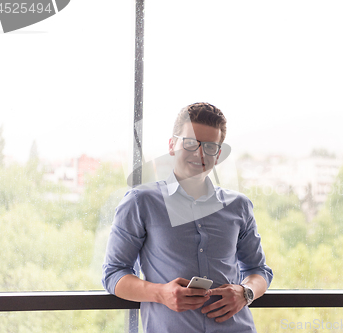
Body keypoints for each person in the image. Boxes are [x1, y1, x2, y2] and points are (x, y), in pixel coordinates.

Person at [102, 102, 273, 332]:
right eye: (191, 143)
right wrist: (161, 294)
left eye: (210, 147)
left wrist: (246, 292)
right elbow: (114, 273)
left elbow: (259, 270)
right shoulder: (140, 202)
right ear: (172, 145)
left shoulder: (238, 206)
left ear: (219, 154)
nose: (200, 154)